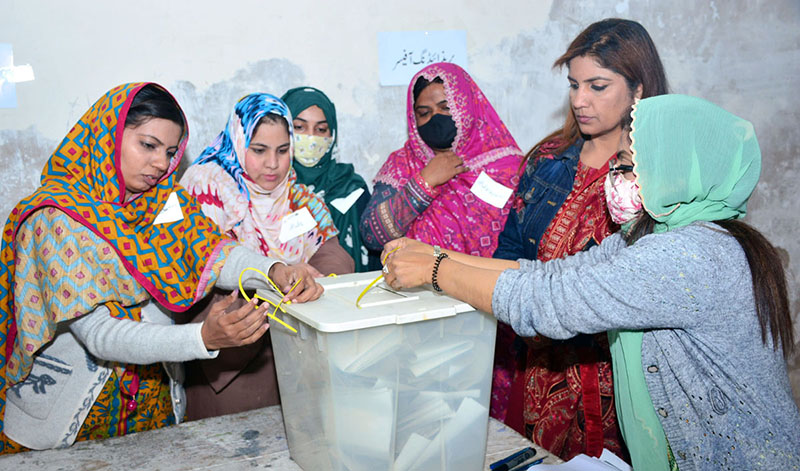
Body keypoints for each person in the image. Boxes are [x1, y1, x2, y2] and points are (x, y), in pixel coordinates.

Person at [382, 94, 800, 470]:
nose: (616, 177)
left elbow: (551, 302)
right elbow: (550, 273)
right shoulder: (657, 235)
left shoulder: (688, 254)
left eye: (630, 166)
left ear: (677, 170)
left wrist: (434, 273)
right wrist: (435, 255)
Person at [0, 83, 321, 454]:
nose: (161, 164)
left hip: (157, 412)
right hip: (66, 428)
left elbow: (215, 254)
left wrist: (275, 271)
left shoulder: (163, 203)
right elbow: (100, 335)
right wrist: (203, 339)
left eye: (170, 152)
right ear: (108, 137)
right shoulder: (57, 217)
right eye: (148, 146)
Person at [489, 18, 669, 460]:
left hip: (621, 374)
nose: (579, 101)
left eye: (597, 86)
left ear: (638, 90)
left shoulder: (658, 178)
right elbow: (509, 251)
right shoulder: (547, 161)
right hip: (539, 366)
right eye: (573, 85)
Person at [179, 93, 353, 420]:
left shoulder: (298, 196)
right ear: (238, 142)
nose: (273, 164)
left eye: (283, 150)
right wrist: (281, 283)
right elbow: (197, 268)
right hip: (230, 363)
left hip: (296, 357)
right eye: (259, 150)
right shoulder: (202, 193)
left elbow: (335, 256)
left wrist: (310, 276)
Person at [359, 62, 523, 258]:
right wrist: (424, 182)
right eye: (424, 113)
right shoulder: (403, 164)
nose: (436, 118)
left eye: (446, 108)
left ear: (467, 106)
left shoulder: (508, 167)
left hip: (487, 284)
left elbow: (527, 240)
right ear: (413, 118)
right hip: (416, 285)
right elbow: (372, 236)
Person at [281, 86, 380, 272]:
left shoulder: (352, 187)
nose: (311, 137)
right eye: (299, 127)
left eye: (321, 129)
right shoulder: (269, 190)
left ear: (332, 134)